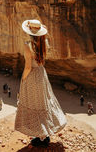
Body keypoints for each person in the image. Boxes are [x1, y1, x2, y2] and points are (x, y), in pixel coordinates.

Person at [15, 19, 67, 148]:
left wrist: (23, 79)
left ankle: (40, 137)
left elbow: (28, 67)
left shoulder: (28, 45)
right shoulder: (45, 43)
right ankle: (45, 134)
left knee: (33, 103)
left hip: (32, 76)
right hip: (41, 74)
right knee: (43, 102)